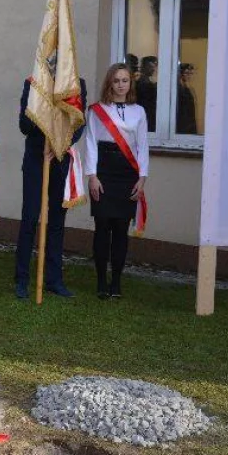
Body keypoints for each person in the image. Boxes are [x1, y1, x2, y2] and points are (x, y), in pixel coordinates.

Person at [13, 77, 87, 299]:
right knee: (29, 217)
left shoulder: (76, 84)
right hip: (36, 157)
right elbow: (23, 126)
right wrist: (40, 110)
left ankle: (54, 279)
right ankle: (22, 279)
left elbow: (79, 124)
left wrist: (60, 145)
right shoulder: (33, 83)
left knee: (56, 221)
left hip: (61, 157)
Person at [85, 63, 149, 299]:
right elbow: (91, 143)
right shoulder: (97, 110)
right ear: (109, 83)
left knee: (121, 229)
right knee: (102, 227)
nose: (121, 85)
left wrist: (142, 178)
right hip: (104, 171)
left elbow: (142, 146)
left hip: (127, 173)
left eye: (125, 80)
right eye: (116, 80)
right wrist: (92, 176)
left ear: (130, 83)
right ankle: (101, 280)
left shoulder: (139, 112)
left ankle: (117, 282)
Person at [136, 56, 158, 132]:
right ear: (144, 66)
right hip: (145, 117)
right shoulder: (141, 83)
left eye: (154, 67)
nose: (153, 69)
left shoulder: (149, 83)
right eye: (151, 66)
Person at [176, 63, 198, 135]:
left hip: (190, 122)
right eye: (186, 73)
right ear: (181, 73)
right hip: (182, 123)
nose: (189, 75)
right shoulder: (178, 88)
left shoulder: (188, 88)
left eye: (190, 73)